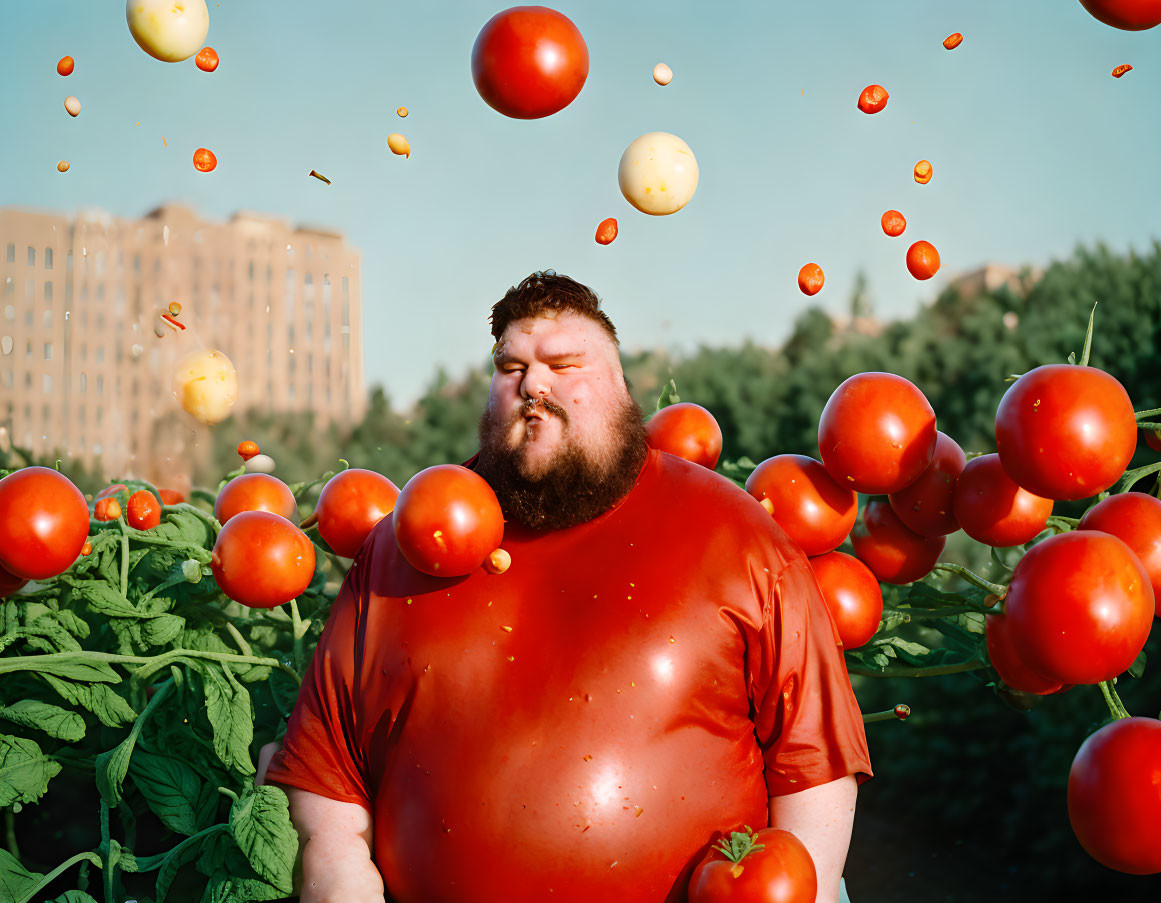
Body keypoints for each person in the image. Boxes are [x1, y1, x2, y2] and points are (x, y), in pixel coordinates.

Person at [263, 271, 872, 903]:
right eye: (510, 367)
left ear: (620, 386)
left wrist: (814, 886)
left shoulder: (736, 535)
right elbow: (327, 767)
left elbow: (812, 759)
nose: (533, 384)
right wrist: (338, 872)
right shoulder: (401, 550)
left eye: (564, 362)